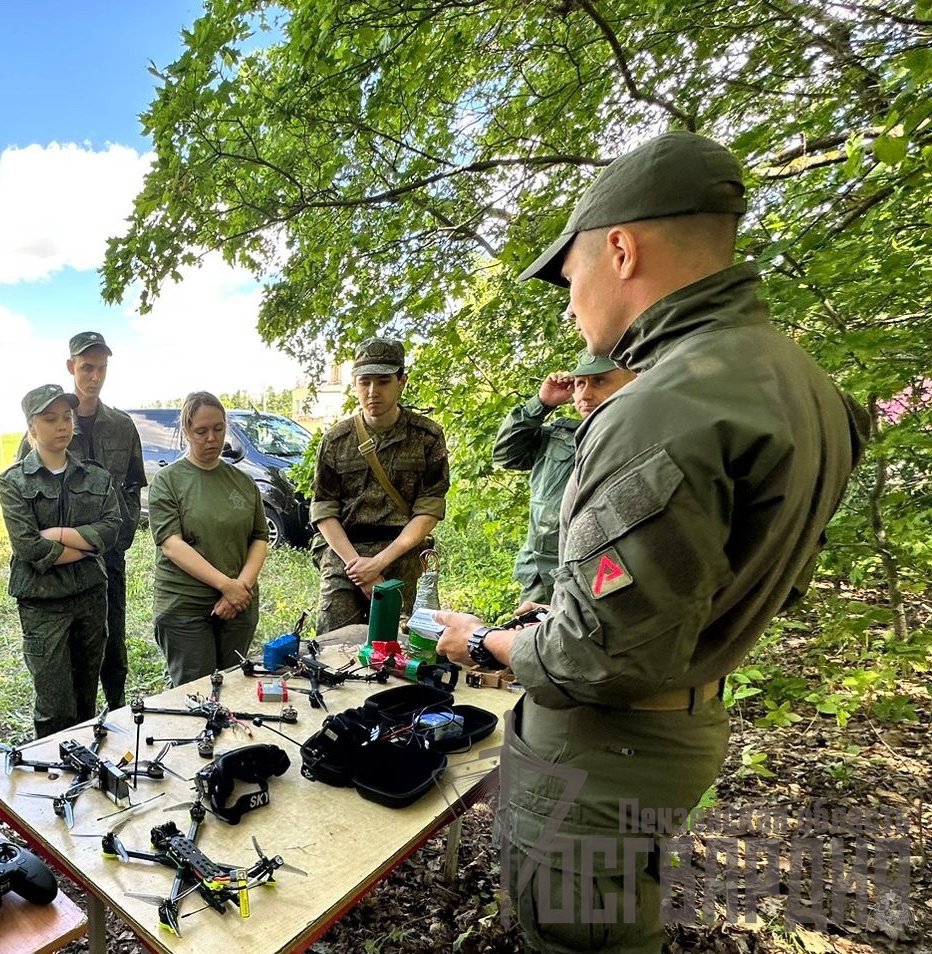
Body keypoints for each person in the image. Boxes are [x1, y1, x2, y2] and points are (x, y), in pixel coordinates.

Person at [434, 131, 866, 954]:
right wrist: (565, 607)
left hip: (605, 747)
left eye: (570, 277)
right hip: (686, 725)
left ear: (622, 249)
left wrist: (481, 641)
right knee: (618, 909)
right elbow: (721, 577)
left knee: (576, 935)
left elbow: (592, 660)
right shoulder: (812, 389)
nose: (570, 305)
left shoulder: (655, 409)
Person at [15, 331, 145, 711]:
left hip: (109, 557)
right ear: (71, 367)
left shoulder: (121, 425)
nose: (94, 376)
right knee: (68, 652)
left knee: (112, 638)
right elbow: (27, 492)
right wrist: (64, 545)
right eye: (87, 367)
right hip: (59, 565)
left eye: (101, 368)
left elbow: (134, 485)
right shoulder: (44, 428)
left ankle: (117, 707)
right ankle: (69, 721)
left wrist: (119, 539)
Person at [0, 384, 124, 738]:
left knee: (85, 699)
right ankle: (53, 775)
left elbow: (111, 529)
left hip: (89, 598)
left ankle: (84, 769)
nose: (62, 425)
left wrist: (57, 535)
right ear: (32, 427)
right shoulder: (14, 481)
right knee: (54, 705)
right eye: (50, 418)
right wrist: (88, 545)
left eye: (67, 417)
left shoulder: (96, 476)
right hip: (43, 604)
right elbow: (28, 548)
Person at [308, 336, 449, 630]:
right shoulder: (336, 440)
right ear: (355, 384)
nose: (373, 392)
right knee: (334, 642)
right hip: (344, 553)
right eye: (364, 382)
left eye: (383, 381)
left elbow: (429, 510)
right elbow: (323, 511)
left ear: (402, 381)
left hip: (400, 552)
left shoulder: (427, 437)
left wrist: (381, 562)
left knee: (394, 645)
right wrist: (361, 568)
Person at [493, 352, 637, 604]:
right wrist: (542, 403)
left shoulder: (639, 435)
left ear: (633, 379)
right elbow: (506, 454)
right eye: (580, 383)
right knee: (530, 637)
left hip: (603, 570)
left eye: (600, 381)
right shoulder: (557, 435)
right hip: (542, 572)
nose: (586, 394)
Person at [147, 392, 269, 686]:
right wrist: (226, 586)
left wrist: (240, 589)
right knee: (198, 695)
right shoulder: (168, 481)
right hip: (185, 607)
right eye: (201, 431)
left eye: (218, 428)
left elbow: (260, 537)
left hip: (239, 605)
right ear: (187, 431)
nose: (211, 438)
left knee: (234, 689)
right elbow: (171, 545)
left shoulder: (243, 481)